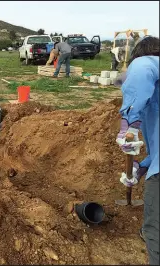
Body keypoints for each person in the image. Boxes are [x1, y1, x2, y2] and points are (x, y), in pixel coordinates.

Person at [115, 36, 159, 265]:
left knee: (156, 235)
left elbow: (142, 67)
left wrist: (128, 126)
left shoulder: (145, 63)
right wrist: (140, 168)